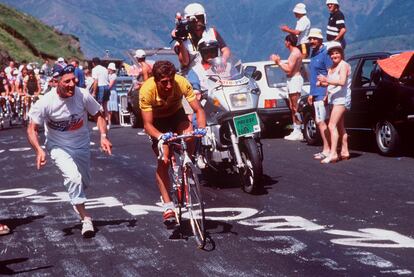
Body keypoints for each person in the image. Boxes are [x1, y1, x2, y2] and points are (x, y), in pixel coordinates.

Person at [27, 64, 112, 237]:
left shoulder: (83, 95)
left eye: (73, 80)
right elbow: (32, 128)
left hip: (81, 145)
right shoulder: (45, 102)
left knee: (83, 182)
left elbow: (98, 115)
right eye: (67, 81)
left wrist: (103, 135)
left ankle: (76, 199)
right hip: (58, 146)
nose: (72, 84)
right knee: (73, 178)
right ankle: (86, 219)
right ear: (55, 82)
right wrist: (38, 150)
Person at [139, 60, 206, 227]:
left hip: (176, 114)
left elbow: (198, 110)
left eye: (171, 80)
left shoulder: (181, 82)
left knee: (190, 134)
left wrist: (202, 129)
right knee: (164, 159)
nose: (169, 86)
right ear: (155, 80)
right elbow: (147, 125)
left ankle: (187, 166)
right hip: (157, 123)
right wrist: (160, 136)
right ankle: (168, 205)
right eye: (164, 82)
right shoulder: (146, 90)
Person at [172, 3, 231, 74]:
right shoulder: (182, 40)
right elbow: (185, 62)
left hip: (214, 73)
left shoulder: (212, 32)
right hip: (192, 77)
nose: (197, 22)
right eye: (193, 20)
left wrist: (223, 60)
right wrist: (180, 41)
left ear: (204, 18)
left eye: (200, 18)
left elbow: (225, 49)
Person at [317, 41, 351, 163]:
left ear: (341, 53)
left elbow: (342, 82)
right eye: (331, 54)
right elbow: (330, 83)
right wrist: (323, 83)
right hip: (334, 99)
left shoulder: (344, 65)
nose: (333, 56)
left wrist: (327, 80)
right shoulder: (332, 67)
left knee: (331, 125)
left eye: (336, 53)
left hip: (341, 99)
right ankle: (345, 151)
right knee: (340, 126)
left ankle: (333, 153)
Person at [271, 34, 304, 141]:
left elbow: (289, 70)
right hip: (291, 80)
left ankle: (299, 130)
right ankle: (296, 129)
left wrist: (278, 62)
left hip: (294, 80)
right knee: (292, 106)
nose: (285, 43)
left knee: (295, 107)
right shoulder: (294, 53)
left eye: (285, 41)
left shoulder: (294, 53)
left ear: (288, 42)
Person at [307, 28, 333, 160]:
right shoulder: (313, 53)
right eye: (310, 39)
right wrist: (311, 94)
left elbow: (330, 73)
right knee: (320, 121)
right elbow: (313, 76)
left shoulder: (325, 54)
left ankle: (328, 149)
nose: (312, 41)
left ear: (320, 40)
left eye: (314, 39)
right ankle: (327, 148)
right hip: (315, 93)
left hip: (323, 92)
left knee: (322, 121)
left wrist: (327, 93)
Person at [91, 57, 110, 130]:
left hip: (100, 87)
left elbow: (96, 81)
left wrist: (94, 92)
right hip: (106, 87)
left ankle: (100, 125)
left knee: (98, 106)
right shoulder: (105, 69)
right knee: (105, 106)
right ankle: (107, 124)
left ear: (93, 63)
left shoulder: (94, 69)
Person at [107, 62, 118, 128]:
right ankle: (115, 120)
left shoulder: (114, 76)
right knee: (110, 108)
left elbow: (110, 85)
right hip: (111, 92)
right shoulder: (109, 75)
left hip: (112, 93)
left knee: (110, 108)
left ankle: (110, 122)